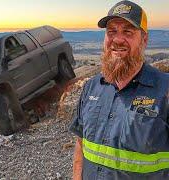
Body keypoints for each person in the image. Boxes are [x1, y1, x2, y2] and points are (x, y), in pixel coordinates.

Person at [69, 1, 169, 179]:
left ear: (144, 40)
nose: (117, 39)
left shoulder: (164, 91)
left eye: (128, 32)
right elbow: (80, 143)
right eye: (111, 31)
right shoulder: (91, 87)